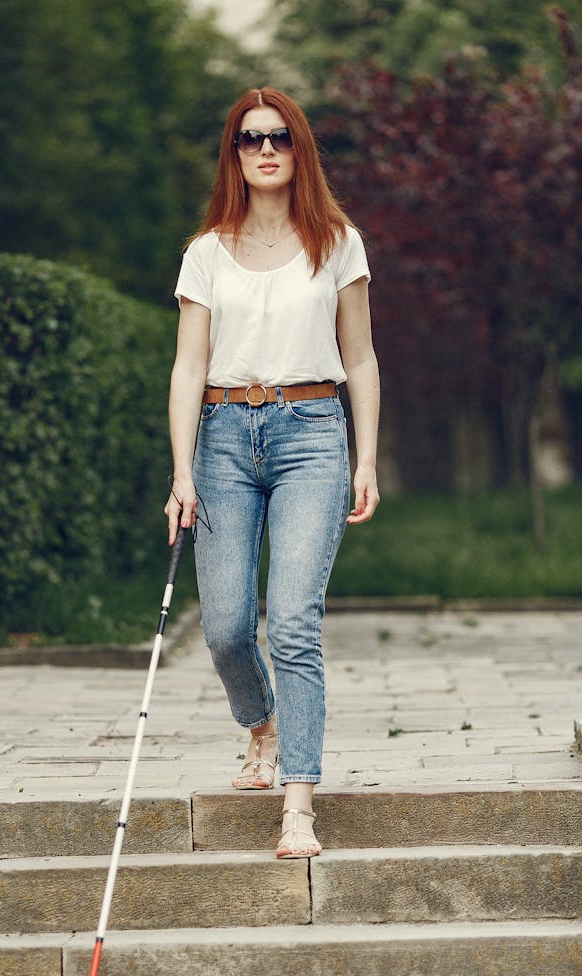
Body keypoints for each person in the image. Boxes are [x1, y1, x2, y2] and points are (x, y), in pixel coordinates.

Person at [164, 86, 379, 859]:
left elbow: (359, 356)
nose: (264, 149)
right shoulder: (206, 251)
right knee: (225, 626)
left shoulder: (337, 242)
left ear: (299, 149)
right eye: (249, 138)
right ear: (233, 153)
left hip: (312, 433)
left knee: (292, 620)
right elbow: (189, 367)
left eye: (279, 137)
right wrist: (182, 471)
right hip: (222, 436)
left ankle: (298, 803)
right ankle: (260, 722)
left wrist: (367, 457)